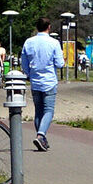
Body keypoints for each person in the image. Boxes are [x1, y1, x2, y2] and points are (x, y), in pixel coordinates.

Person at [20, 18, 65, 152]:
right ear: (49, 27)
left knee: (38, 111)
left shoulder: (29, 42)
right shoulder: (54, 43)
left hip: (35, 81)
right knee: (49, 110)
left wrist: (29, 73)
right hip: (49, 81)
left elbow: (24, 61)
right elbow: (59, 64)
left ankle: (42, 140)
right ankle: (40, 135)